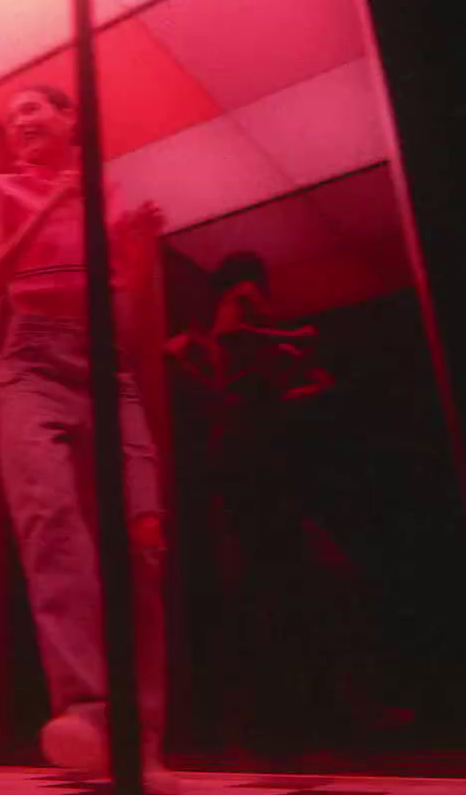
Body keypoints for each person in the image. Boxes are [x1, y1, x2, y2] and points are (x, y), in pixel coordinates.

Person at [0, 84, 179, 795]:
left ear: (70, 120)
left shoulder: (108, 193)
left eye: (34, 109)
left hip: (102, 364)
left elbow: (123, 295)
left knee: (141, 541)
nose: (21, 122)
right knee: (50, 521)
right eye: (10, 118)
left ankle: (145, 740)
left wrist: (141, 252)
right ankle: (92, 714)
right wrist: (49, 212)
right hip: (30, 362)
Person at [164, 251, 412, 758]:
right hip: (249, 475)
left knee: (285, 591)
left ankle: (275, 721)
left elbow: (245, 393)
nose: (256, 302)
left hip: (249, 474)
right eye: (251, 292)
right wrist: (289, 338)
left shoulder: (221, 355)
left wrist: (302, 386)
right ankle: (307, 716)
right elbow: (235, 348)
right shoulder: (237, 311)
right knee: (287, 590)